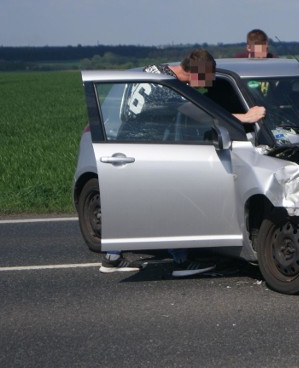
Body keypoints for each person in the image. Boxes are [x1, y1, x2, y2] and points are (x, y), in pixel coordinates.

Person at [100, 48, 265, 277]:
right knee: (171, 200)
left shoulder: (155, 71)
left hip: (128, 143)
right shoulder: (170, 90)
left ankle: (112, 257)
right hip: (147, 150)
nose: (209, 86)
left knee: (132, 202)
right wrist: (247, 118)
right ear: (197, 74)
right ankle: (181, 262)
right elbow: (204, 114)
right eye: (207, 79)